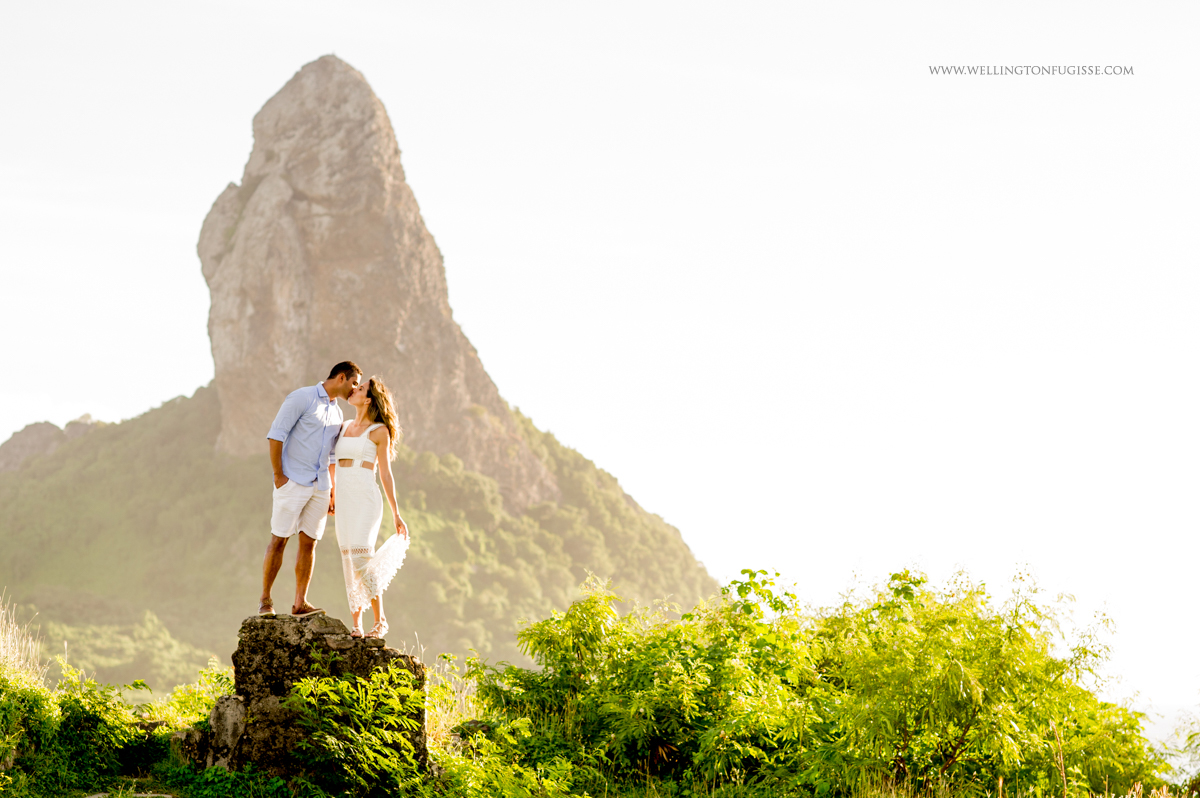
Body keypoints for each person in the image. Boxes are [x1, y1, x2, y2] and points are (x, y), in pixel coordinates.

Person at [259, 361, 363, 617]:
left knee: (309, 544)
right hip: (292, 481)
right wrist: (278, 476)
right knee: (279, 539)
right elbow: (276, 435)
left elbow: (330, 457)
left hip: (320, 487)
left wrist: (332, 490)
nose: (355, 389)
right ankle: (265, 600)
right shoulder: (302, 397)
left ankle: (299, 602)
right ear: (341, 377)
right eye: (354, 383)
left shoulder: (338, 413)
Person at [333, 376, 410, 639]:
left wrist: (396, 513)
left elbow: (386, 475)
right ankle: (357, 623)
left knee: (361, 556)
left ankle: (381, 621)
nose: (354, 390)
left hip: (366, 498)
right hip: (343, 499)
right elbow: (332, 463)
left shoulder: (379, 431)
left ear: (368, 399)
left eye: (361, 388)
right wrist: (331, 494)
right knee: (348, 558)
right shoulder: (342, 427)